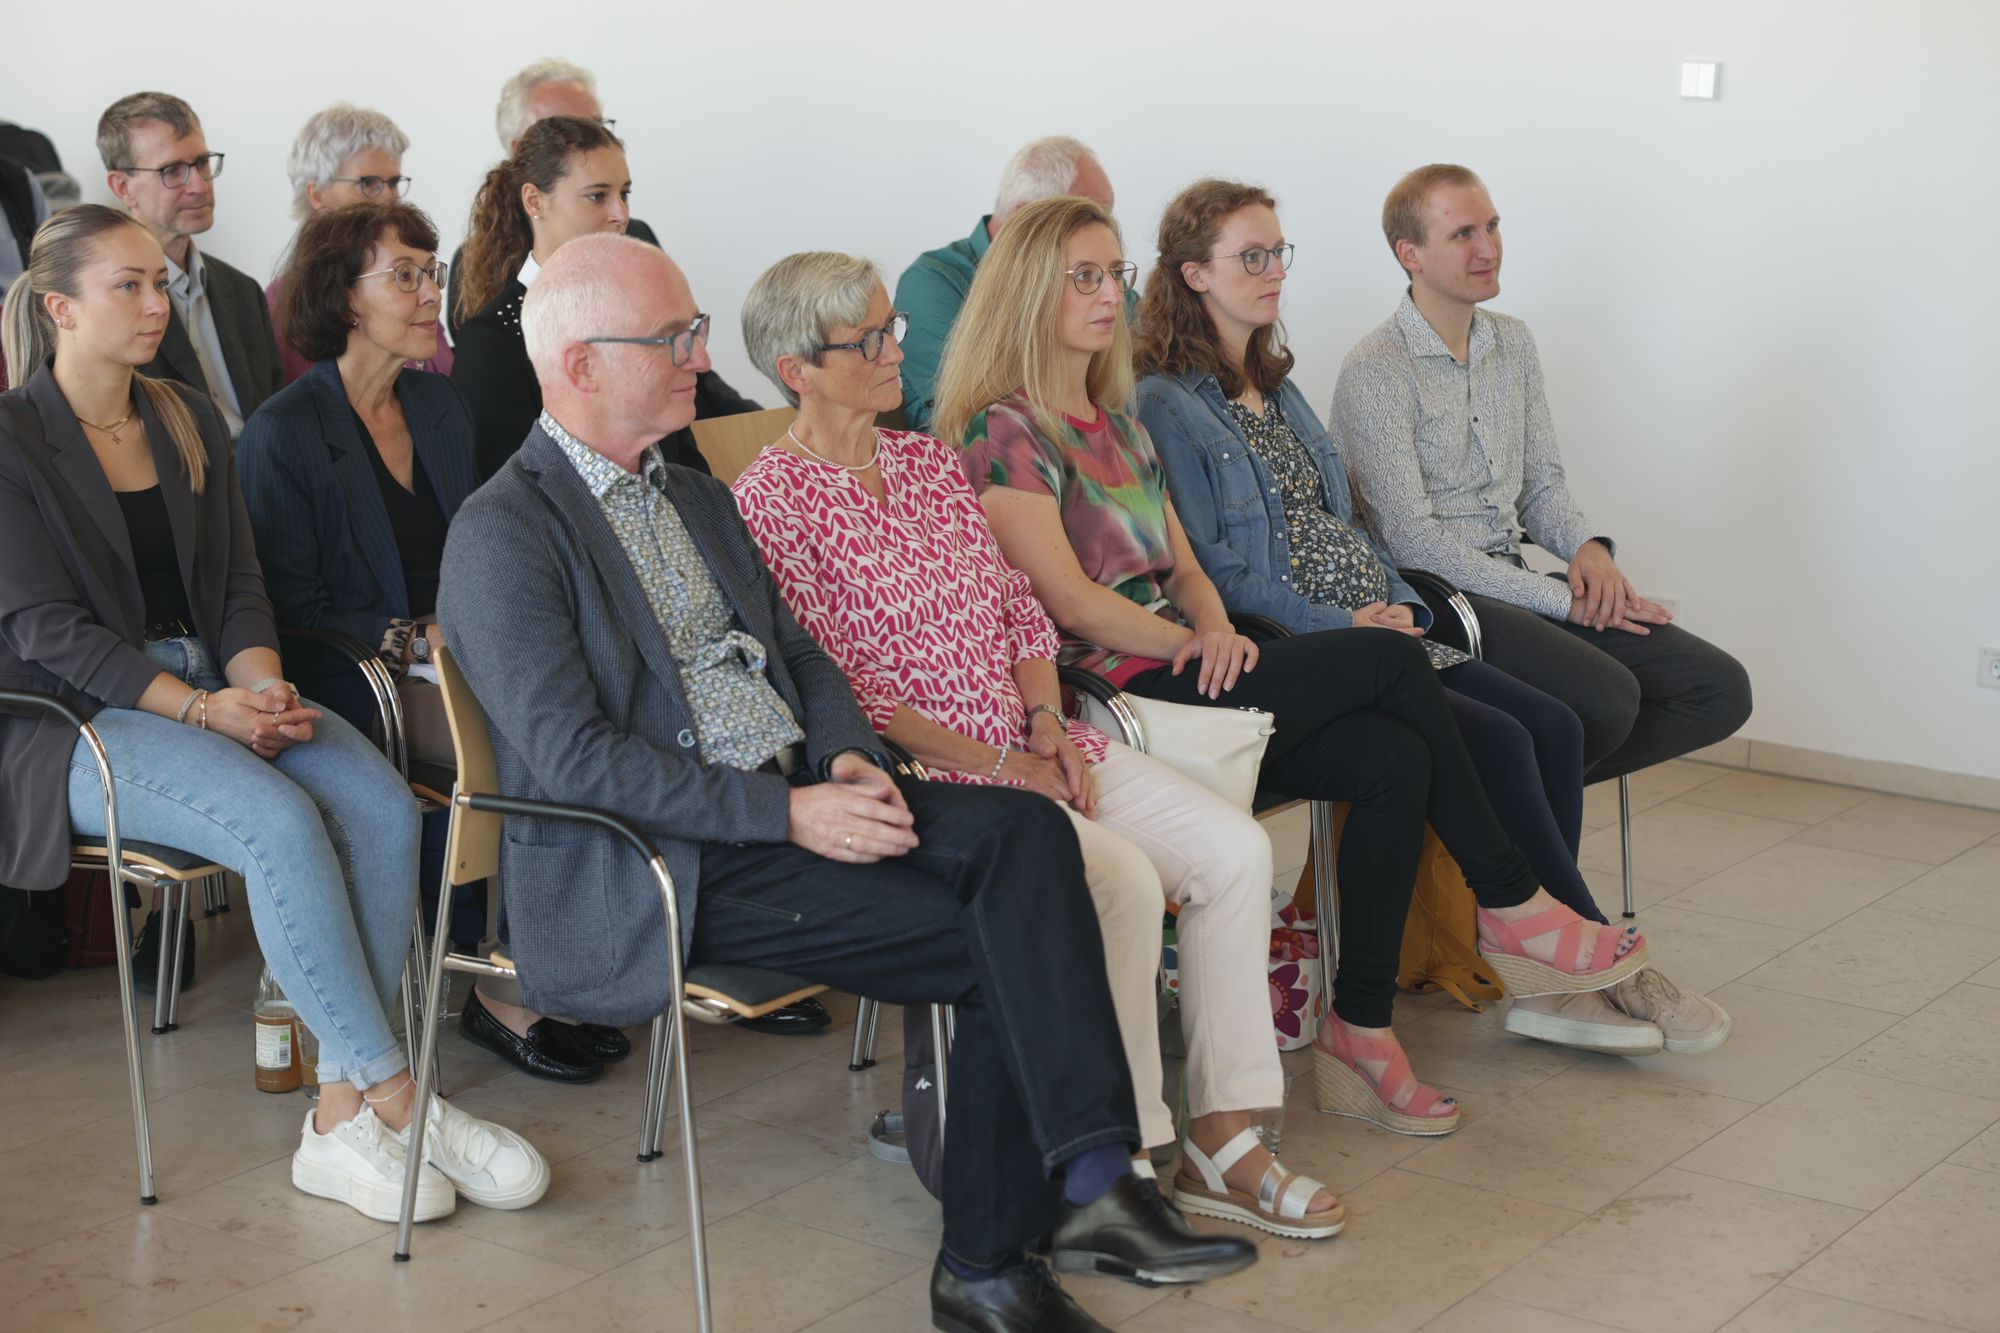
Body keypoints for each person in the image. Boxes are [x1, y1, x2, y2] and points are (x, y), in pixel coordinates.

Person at [436, 233, 1257, 1331]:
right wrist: (789, 809)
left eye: (694, 332)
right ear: (580, 365)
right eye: (672, 338)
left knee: (1029, 841)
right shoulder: (504, 530)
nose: (697, 355)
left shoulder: (687, 492)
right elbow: (578, 758)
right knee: (1000, 942)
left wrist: (849, 759)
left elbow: (804, 657)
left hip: (797, 800)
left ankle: (1082, 1173)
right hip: (675, 859)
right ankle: (1002, 1248)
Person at [936, 196, 1659, 1140]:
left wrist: (1200, 615)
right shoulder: (1006, 430)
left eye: (1112, 274)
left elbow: (1188, 567)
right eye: (1083, 276)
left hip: (1191, 668)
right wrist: (1189, 640)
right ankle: (1512, 899)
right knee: (1393, 667)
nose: (1108, 294)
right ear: (1030, 290)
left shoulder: (1115, 420)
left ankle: (1361, 1031)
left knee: (1395, 757)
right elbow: (1067, 603)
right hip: (1120, 697)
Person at [732, 251, 1342, 1239]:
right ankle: (1121, 1159)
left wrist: (1048, 725)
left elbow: (1018, 612)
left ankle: (1224, 1135)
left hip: (1035, 738)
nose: (898, 350)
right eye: (870, 341)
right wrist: (999, 767)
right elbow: (846, 691)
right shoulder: (772, 502)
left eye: (892, 328)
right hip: (939, 774)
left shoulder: (926, 460)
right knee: (1123, 882)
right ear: (798, 368)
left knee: (1233, 851)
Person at [0, 204, 546, 1223]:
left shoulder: (184, 413)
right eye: (130, 285)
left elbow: (242, 585)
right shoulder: (12, 439)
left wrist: (254, 681)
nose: (158, 302)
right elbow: (50, 635)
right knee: (281, 822)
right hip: (72, 721)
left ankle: (339, 1117)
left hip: (211, 681)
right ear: (59, 305)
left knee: (382, 808)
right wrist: (208, 709)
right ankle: (399, 1098)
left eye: (161, 282)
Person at [1134, 180, 1730, 1055]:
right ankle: (1581, 965)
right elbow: (1218, 569)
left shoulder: (1277, 381)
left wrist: (1404, 605)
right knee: (1518, 738)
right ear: (1193, 275)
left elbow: (1350, 524)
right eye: (1249, 257)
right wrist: (1345, 620)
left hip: (1387, 612)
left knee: (1553, 727)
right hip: (1310, 636)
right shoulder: (1170, 403)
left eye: (1278, 253)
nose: (1273, 273)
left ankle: (1546, 947)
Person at [239, 200, 622, 1084]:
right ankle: (504, 989)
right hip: (355, 676)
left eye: (431, 272)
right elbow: (288, 610)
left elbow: (483, 540)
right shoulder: (284, 431)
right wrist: (414, 633)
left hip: (454, 658)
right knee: (537, 736)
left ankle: (547, 960)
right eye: (404, 275)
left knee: (591, 702)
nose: (429, 295)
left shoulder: (436, 403)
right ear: (343, 297)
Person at [1334, 165, 1753, 816]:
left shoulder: (1513, 343)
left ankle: (1486, 803)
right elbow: (1412, 542)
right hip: (1438, 598)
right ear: (1409, 254)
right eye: (1464, 233)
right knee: (1608, 699)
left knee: (1716, 687)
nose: (1489, 247)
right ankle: (1518, 853)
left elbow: (1541, 485)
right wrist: (1562, 601)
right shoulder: (1376, 370)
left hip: (1513, 580)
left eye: (1493, 225)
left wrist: (1587, 549)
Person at [449, 117, 760, 482]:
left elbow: (682, 464)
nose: (621, 215)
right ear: (535, 200)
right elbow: (510, 495)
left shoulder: (643, 309)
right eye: (597, 196)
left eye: (624, 193)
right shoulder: (491, 341)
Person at [893, 135, 1125, 434]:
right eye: (1079, 215)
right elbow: (982, 409)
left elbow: (1146, 363)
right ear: (1021, 216)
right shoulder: (933, 282)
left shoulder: (1107, 283)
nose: (1102, 228)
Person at [440, 55, 669, 337]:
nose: (620, 214)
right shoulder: (476, 268)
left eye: (598, 127)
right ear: (520, 149)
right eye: (565, 133)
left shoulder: (638, 236)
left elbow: (687, 358)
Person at [97, 92, 280, 435]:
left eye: (202, 163)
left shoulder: (243, 291)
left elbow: (277, 417)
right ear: (123, 187)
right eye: (172, 171)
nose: (198, 185)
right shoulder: (106, 305)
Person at [268, 104, 450, 385]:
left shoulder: (415, 283)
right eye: (369, 183)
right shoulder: (288, 301)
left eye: (393, 183)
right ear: (317, 195)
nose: (388, 198)